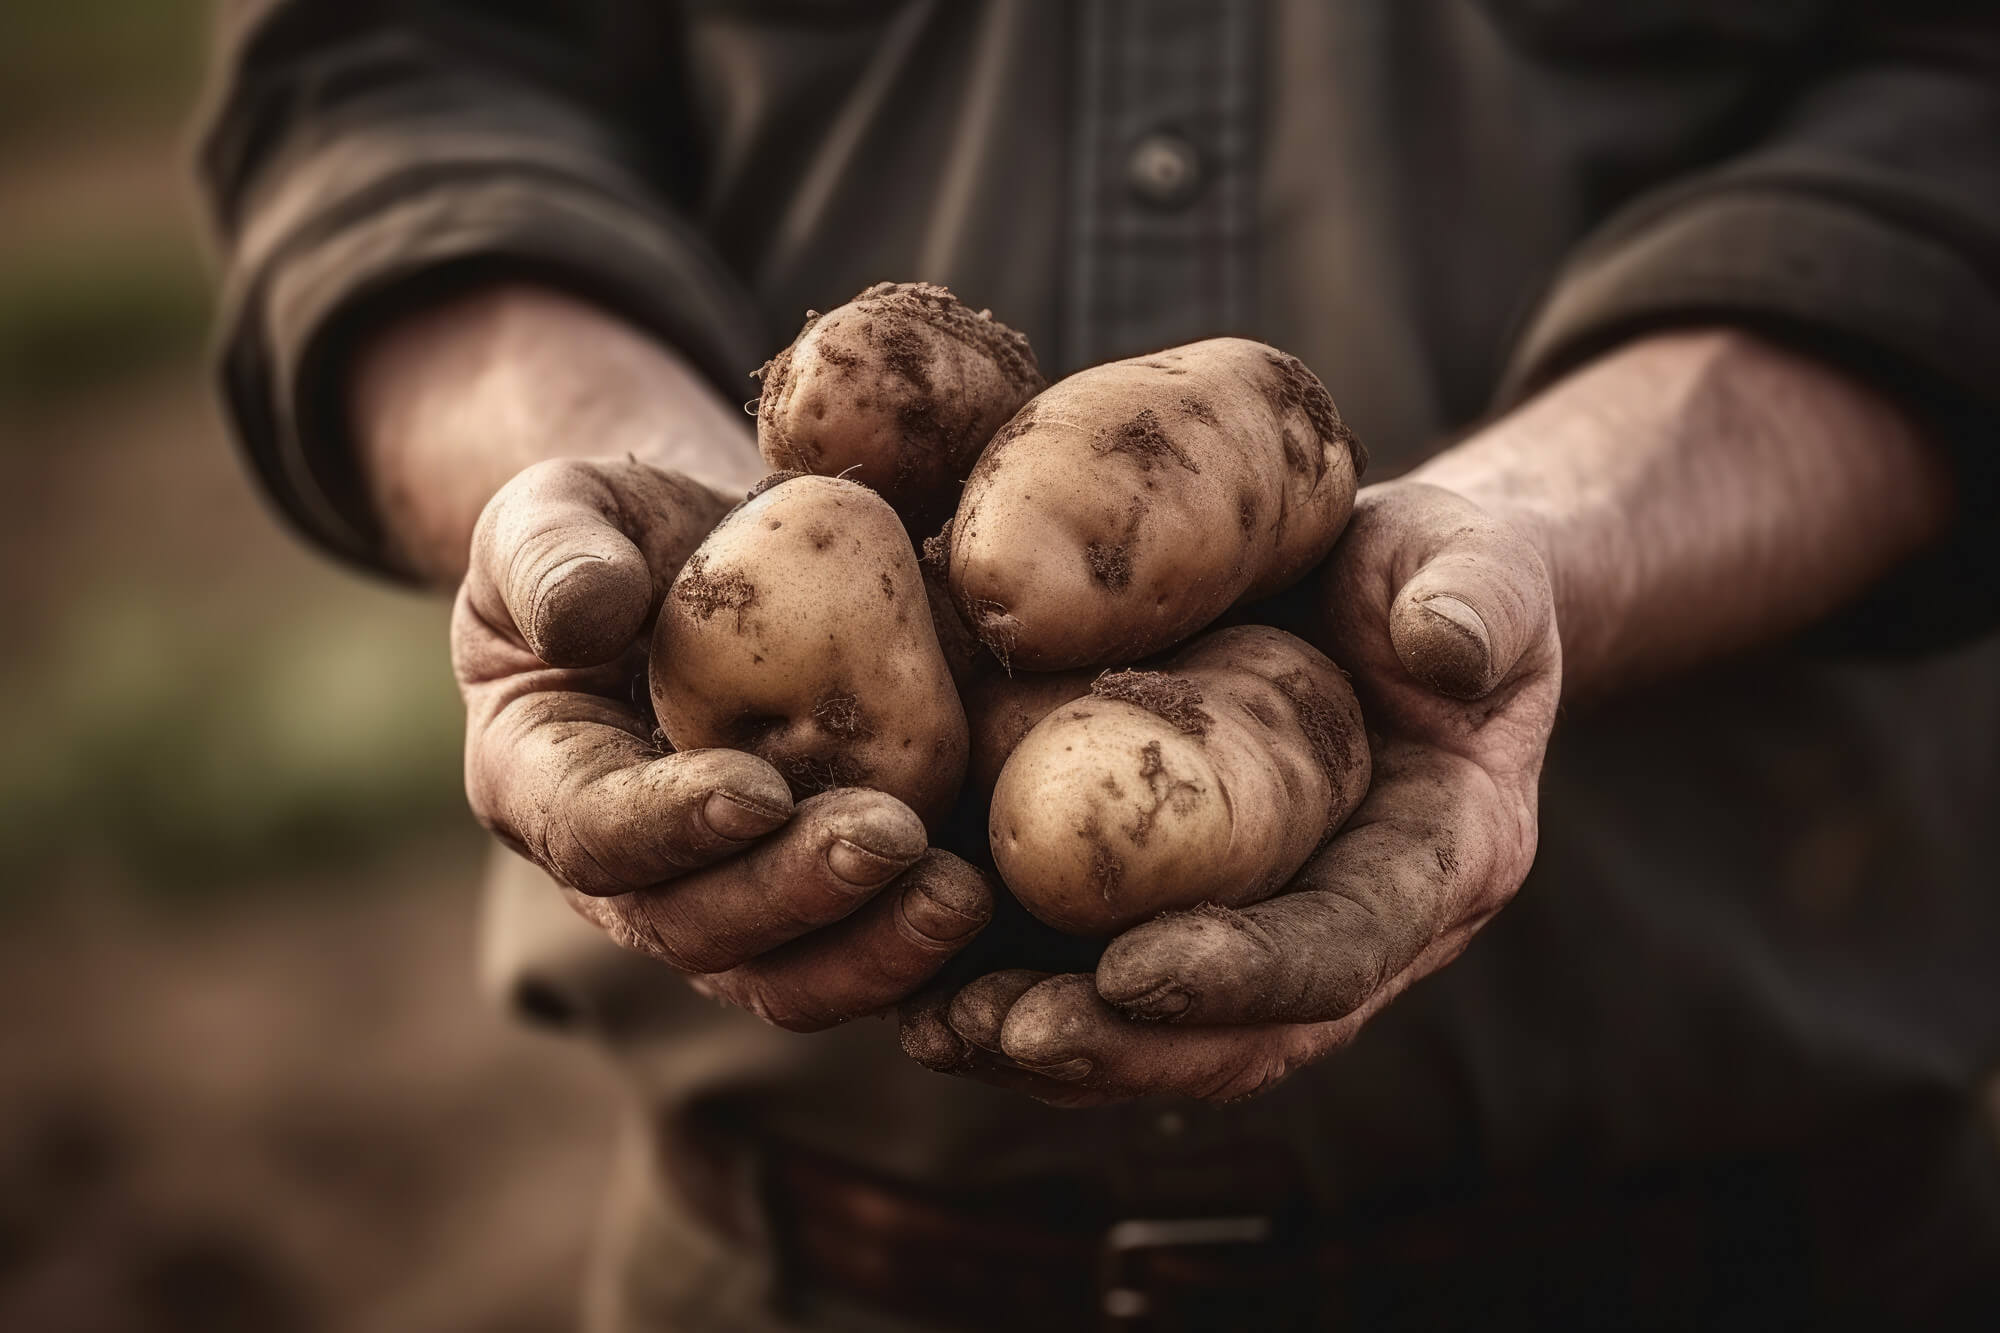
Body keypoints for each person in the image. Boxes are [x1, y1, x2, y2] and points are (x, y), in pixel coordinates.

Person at [195, 1, 2000, 1326]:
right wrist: (598, 473)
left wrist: (1542, 543)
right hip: (788, 1273)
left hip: (1772, 1257)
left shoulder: (1024, 567)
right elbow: (390, 68)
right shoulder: (892, 546)